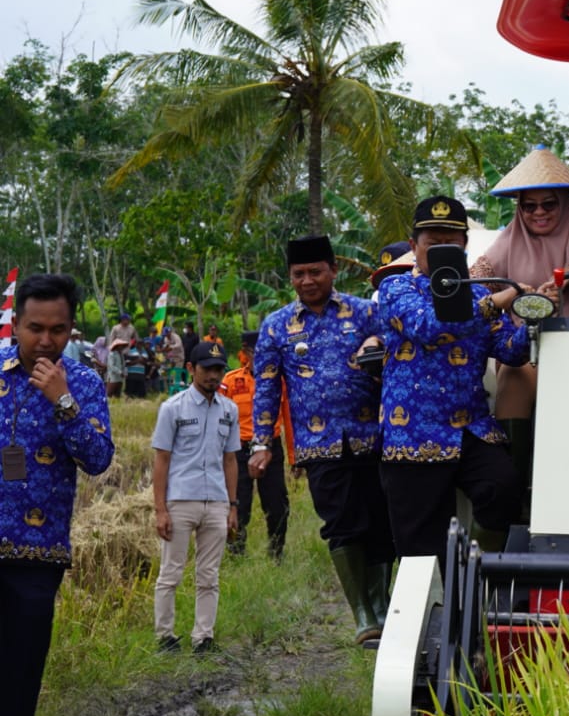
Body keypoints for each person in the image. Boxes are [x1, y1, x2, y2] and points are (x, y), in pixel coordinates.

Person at [0, 274, 114, 716]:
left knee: (22, 666)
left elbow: (97, 459)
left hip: (38, 553)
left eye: (58, 330)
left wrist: (62, 400)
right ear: (16, 322)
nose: (45, 341)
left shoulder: (84, 383)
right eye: (35, 328)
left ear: (71, 329)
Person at [252, 234, 394, 645]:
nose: (308, 280)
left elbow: (398, 351)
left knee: (380, 523)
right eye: (299, 273)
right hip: (320, 445)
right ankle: (363, 614)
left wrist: (379, 342)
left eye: (316, 271)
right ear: (290, 277)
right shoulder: (277, 326)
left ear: (333, 269)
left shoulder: (368, 312)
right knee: (341, 524)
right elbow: (265, 388)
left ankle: (382, 605)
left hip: (373, 438)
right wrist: (261, 443)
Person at [377, 196, 528, 561]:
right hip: (414, 432)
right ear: (414, 247)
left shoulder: (478, 291)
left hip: (470, 428)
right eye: (433, 242)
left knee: (503, 487)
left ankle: (475, 577)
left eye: (451, 242)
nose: (443, 249)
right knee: (421, 545)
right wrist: (499, 301)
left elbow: (510, 350)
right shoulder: (397, 289)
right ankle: (435, 612)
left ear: (464, 246)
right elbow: (428, 327)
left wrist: (535, 312)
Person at [468, 146, 569, 449]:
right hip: (523, 349)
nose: (539, 213)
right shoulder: (503, 245)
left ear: (565, 205)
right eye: (528, 206)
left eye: (549, 205)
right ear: (518, 209)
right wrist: (511, 296)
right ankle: (515, 480)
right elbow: (472, 293)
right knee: (515, 378)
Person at [151, 342, 239, 655]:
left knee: (209, 575)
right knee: (171, 572)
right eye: (207, 369)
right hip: (180, 501)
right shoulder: (172, 408)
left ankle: (204, 637)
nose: (214, 375)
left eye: (219, 369)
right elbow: (161, 460)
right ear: (191, 369)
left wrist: (232, 505)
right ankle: (165, 636)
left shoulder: (229, 410)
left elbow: (230, 460)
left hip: (216, 501)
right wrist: (160, 509)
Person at [221, 332, 291, 560]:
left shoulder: (279, 381)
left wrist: (295, 456)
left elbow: (289, 419)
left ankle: (276, 553)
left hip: (271, 448)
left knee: (277, 504)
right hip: (238, 449)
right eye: (251, 353)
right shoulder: (230, 381)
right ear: (245, 354)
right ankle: (236, 554)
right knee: (237, 505)